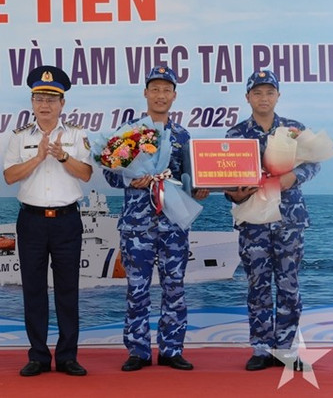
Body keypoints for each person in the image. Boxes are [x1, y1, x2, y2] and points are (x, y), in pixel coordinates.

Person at [102, 66, 209, 373]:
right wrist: (129, 180)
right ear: (146, 93)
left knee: (175, 287)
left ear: (174, 95)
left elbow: (188, 178)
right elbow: (110, 174)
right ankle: (137, 350)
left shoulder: (182, 135)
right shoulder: (129, 131)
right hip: (137, 226)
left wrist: (199, 189)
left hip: (173, 223)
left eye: (166, 90)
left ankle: (171, 349)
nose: (161, 95)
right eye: (155, 89)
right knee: (137, 289)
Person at [225, 70, 320, 371]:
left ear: (278, 96)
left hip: (289, 219)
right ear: (248, 97)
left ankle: (286, 349)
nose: (263, 98)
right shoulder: (235, 135)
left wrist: (295, 176)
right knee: (258, 286)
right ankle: (262, 348)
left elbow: (314, 163)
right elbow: (228, 180)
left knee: (289, 286)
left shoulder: (294, 129)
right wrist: (234, 194)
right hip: (253, 220)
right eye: (257, 93)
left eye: (269, 92)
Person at [3, 65, 93, 377]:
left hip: (67, 221)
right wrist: (39, 157)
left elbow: (87, 174)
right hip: (32, 221)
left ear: (62, 103)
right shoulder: (19, 137)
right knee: (33, 290)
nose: (45, 105)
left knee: (68, 290)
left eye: (52, 99)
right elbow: (10, 176)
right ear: (32, 102)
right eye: (39, 98)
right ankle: (38, 356)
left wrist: (63, 156)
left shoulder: (77, 135)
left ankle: (68, 356)